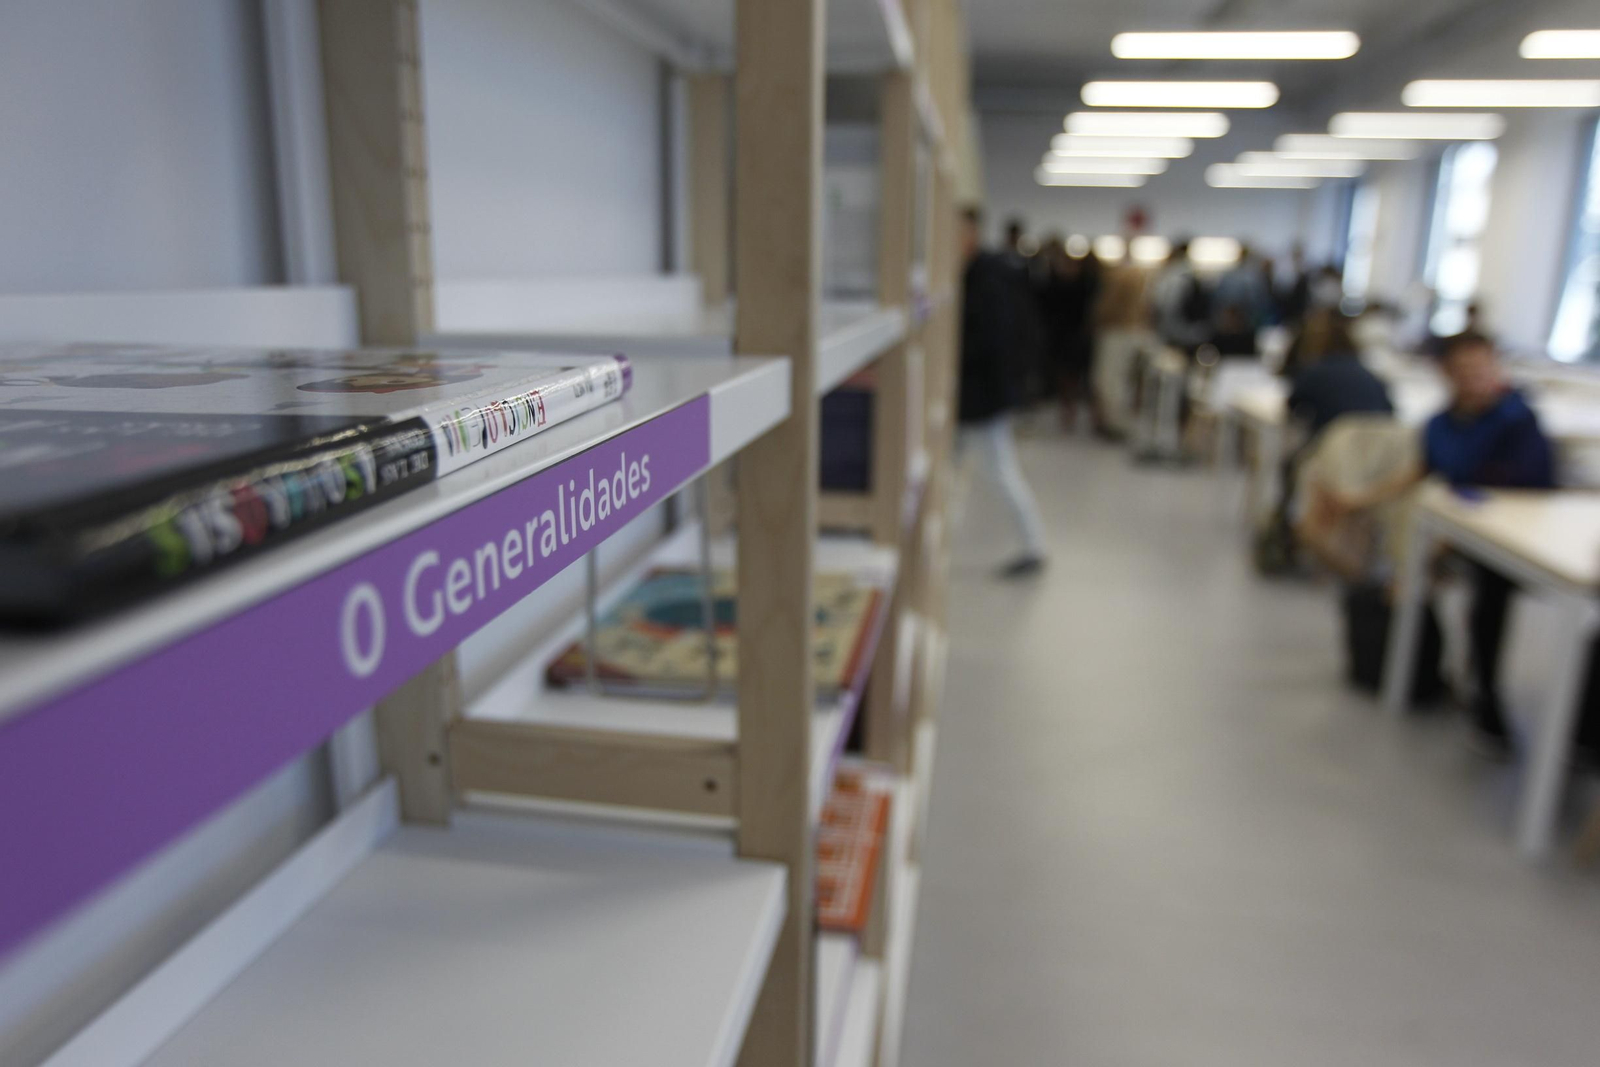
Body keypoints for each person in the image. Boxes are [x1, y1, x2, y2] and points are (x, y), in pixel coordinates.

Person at [1318, 332, 1556, 755]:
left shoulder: (1518, 420)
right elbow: (1420, 472)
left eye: (1483, 369)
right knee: (1413, 560)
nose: (1476, 379)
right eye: (1465, 371)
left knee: (1490, 590)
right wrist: (1356, 500)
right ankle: (1431, 672)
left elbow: (1532, 488)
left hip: (1514, 537)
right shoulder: (1440, 425)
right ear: (1446, 374)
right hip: (1461, 532)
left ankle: (1487, 695)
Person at [958, 206, 1049, 578]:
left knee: (1001, 472)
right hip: (976, 396)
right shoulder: (976, 274)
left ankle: (1034, 546)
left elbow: (992, 342)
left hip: (984, 399)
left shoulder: (988, 277)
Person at [1035, 234, 1100, 432]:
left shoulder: (1084, 285)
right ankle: (1067, 409)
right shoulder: (1055, 284)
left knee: (1074, 376)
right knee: (1063, 375)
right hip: (1061, 337)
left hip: (1076, 337)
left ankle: (1071, 410)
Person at [1091, 255, 1154, 440]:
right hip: (1134, 331)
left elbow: (1106, 307)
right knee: (1125, 381)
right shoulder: (1141, 278)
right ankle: (1120, 422)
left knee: (1111, 381)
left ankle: (1116, 423)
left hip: (1117, 331)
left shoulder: (1119, 278)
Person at [1151, 240, 1211, 354]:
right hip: (1188, 334)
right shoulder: (1187, 276)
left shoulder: (1173, 277)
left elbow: (1166, 307)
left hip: (1178, 335)